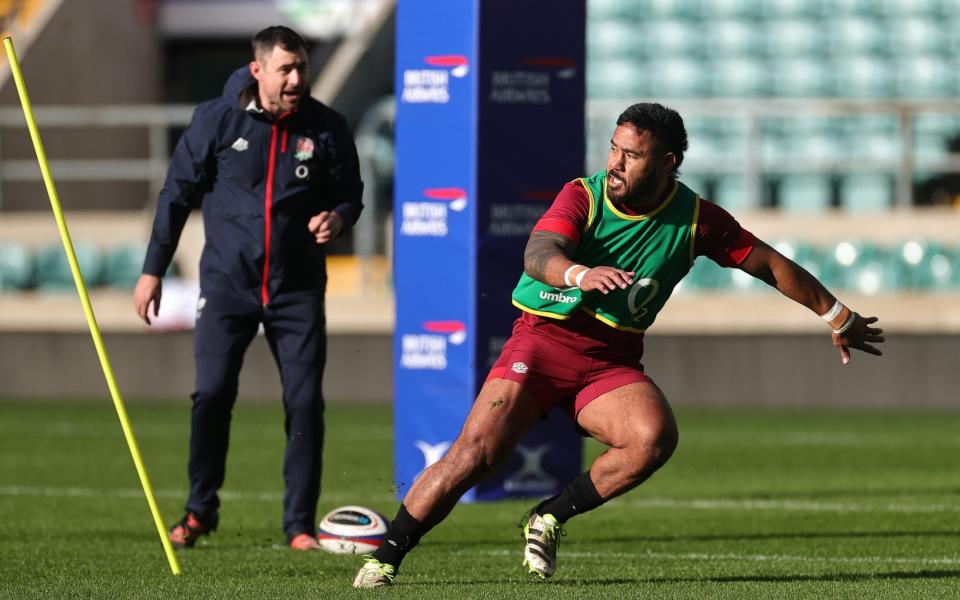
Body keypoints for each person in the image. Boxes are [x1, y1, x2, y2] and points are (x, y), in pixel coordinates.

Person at [353, 103, 884, 588]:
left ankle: (549, 516)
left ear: (668, 161)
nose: (616, 161)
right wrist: (578, 274)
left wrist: (836, 314)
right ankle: (385, 558)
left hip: (610, 359)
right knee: (476, 455)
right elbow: (540, 252)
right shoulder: (582, 193)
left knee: (652, 438)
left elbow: (767, 263)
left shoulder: (697, 220)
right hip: (542, 341)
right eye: (614, 147)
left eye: (631, 154)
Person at [133, 25, 363, 551]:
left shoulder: (327, 127)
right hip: (227, 286)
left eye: (302, 67)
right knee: (211, 394)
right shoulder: (216, 120)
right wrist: (152, 270)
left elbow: (351, 194)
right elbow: (175, 196)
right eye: (285, 69)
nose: (296, 78)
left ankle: (299, 525)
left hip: (297, 290)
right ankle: (199, 511)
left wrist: (339, 218)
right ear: (258, 70)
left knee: (305, 403)